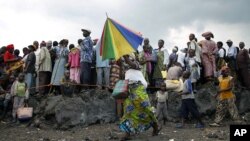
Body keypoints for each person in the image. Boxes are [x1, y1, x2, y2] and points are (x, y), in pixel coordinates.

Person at [119, 55, 161, 141]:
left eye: (129, 58)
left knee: (145, 108)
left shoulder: (136, 64)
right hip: (129, 90)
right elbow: (122, 76)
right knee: (128, 110)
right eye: (126, 58)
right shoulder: (126, 66)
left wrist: (125, 57)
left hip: (139, 88)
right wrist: (120, 66)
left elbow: (132, 64)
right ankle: (127, 133)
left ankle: (156, 126)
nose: (126, 60)